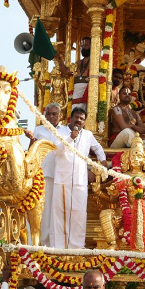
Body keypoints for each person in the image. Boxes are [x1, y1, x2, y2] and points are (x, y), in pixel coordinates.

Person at [47, 106, 106, 249]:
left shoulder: (87, 135)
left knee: (79, 214)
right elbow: (56, 151)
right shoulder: (60, 131)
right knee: (60, 214)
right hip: (62, 179)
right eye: (76, 118)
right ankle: (59, 248)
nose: (79, 121)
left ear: (84, 122)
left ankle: (77, 247)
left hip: (80, 180)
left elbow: (97, 148)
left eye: (82, 119)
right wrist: (71, 137)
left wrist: (103, 162)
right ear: (70, 119)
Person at [31, 103, 63, 246]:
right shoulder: (38, 130)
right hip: (43, 175)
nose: (51, 117)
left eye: (54, 114)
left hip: (62, 175)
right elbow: (31, 151)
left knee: (58, 211)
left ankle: (57, 244)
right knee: (43, 210)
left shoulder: (66, 131)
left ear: (60, 116)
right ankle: (41, 243)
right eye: (48, 114)